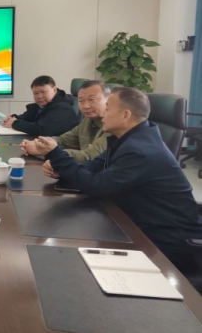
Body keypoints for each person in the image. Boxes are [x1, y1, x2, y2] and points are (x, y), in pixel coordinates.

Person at [35, 87, 202, 274]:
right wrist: (62, 171)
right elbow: (93, 167)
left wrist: (56, 154)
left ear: (125, 115)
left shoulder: (140, 150)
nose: (103, 114)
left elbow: (96, 186)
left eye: (107, 109)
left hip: (166, 242)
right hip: (135, 222)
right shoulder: (126, 139)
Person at [21, 80, 110, 162]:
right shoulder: (88, 120)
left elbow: (89, 156)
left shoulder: (114, 126)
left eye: (92, 100)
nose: (85, 106)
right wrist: (38, 144)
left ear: (108, 100)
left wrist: (48, 151)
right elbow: (62, 141)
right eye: (81, 101)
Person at [2, 75, 78, 136]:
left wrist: (14, 123)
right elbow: (27, 117)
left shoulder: (63, 108)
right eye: (36, 93)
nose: (39, 96)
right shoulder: (41, 106)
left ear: (54, 90)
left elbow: (42, 129)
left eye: (43, 92)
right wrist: (13, 118)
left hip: (61, 147)